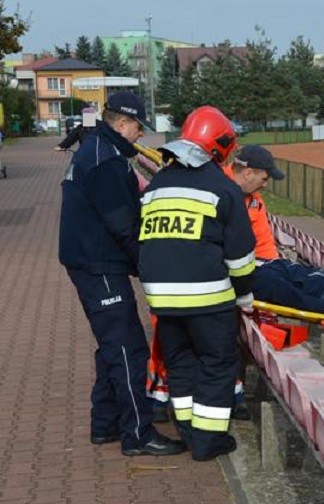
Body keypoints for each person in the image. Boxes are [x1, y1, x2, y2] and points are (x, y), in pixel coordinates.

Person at [59, 91, 185, 457]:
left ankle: (106, 424)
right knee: (129, 348)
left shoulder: (100, 149)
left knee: (113, 345)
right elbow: (123, 224)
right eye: (138, 128)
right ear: (123, 123)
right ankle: (139, 435)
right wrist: (150, 269)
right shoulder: (105, 159)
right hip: (97, 264)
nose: (140, 136)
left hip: (93, 260)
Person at [138, 105, 256, 462]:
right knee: (218, 364)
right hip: (208, 300)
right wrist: (245, 295)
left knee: (180, 362)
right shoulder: (222, 187)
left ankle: (189, 430)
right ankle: (207, 441)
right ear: (219, 146)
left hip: (161, 299)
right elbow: (239, 255)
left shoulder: (157, 184)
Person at [225, 144, 324, 315]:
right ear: (248, 173)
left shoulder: (251, 195)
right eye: (264, 179)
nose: (265, 185)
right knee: (292, 288)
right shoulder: (221, 193)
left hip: (267, 263)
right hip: (248, 273)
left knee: (315, 278)